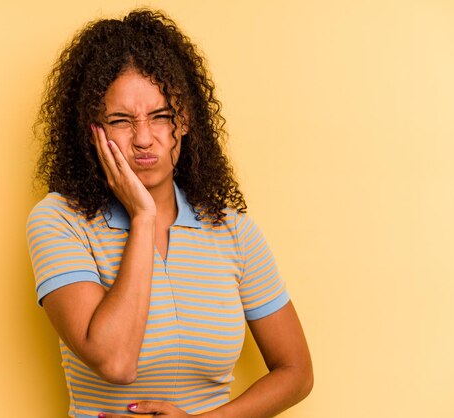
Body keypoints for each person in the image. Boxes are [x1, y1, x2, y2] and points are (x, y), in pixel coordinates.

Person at [26, 9, 313, 418]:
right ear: (93, 130)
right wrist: (142, 217)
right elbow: (115, 362)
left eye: (160, 116)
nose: (144, 139)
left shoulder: (232, 228)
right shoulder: (58, 221)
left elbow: (296, 371)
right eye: (121, 120)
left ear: (185, 120)